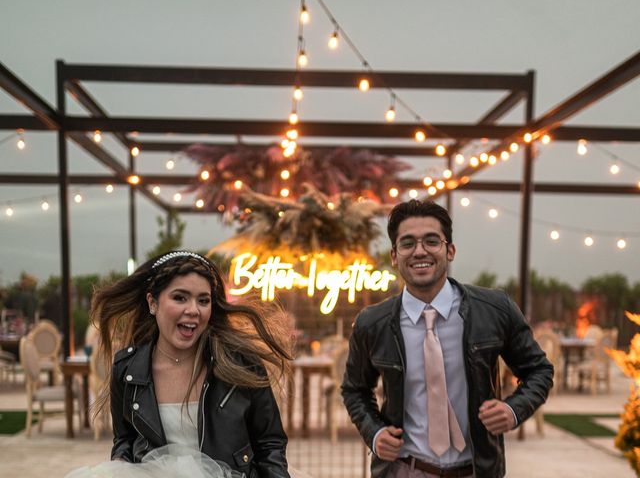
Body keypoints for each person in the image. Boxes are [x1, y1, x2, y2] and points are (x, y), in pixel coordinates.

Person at [341, 200, 554, 478]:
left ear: (449, 250)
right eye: (407, 243)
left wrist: (513, 410)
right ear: (394, 255)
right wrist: (375, 432)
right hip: (404, 471)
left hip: (477, 471)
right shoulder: (372, 323)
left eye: (431, 241)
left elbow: (539, 370)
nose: (420, 251)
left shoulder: (494, 309)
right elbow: (354, 390)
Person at [67, 250, 293, 478]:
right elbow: (125, 439)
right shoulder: (127, 370)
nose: (193, 310)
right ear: (152, 303)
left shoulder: (241, 364)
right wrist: (121, 462)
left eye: (203, 300)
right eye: (180, 298)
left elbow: (269, 444)